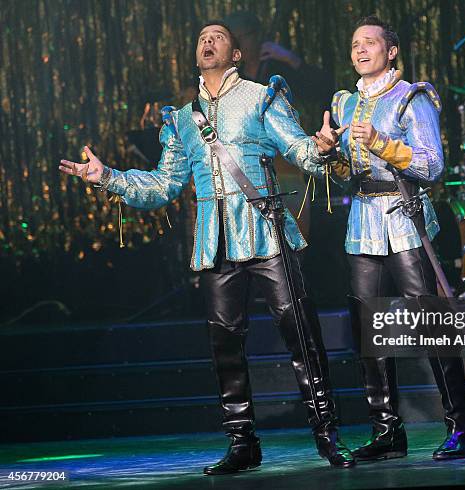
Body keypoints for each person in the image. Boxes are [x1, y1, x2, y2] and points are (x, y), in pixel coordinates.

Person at [59, 21, 354, 473]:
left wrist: (324, 148)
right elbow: (162, 185)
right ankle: (242, 444)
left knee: (302, 334)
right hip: (214, 244)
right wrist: (109, 178)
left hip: (266, 231)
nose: (208, 42)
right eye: (201, 39)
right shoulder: (181, 120)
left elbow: (300, 151)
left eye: (217, 36)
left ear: (236, 54)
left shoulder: (261, 97)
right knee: (226, 348)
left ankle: (327, 434)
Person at [314, 15, 465, 461]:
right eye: (354, 44)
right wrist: (330, 155)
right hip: (363, 223)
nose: (361, 49)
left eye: (370, 42)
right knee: (371, 331)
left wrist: (383, 142)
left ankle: (459, 427)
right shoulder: (344, 104)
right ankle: (388, 432)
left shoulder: (411, 98)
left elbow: (432, 166)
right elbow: (350, 177)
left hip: (405, 219)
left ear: (392, 51)